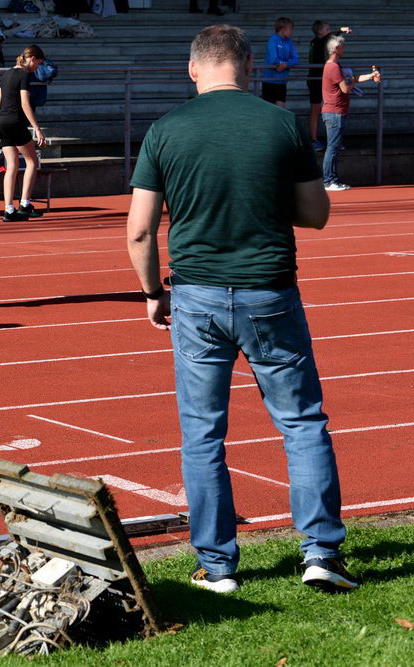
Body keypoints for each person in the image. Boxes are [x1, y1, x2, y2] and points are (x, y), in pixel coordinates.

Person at [127, 24, 359, 595]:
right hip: (269, 290)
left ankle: (217, 565)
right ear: (249, 68)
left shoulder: (165, 129)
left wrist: (154, 292)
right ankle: (322, 554)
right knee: (302, 422)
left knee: (203, 434)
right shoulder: (280, 123)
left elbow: (139, 232)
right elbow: (316, 214)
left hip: (197, 295)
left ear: (193, 69)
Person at [0, 44, 47, 222]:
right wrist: (37, 129)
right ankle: (24, 204)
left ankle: (9, 209)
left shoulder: (7, 73)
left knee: (12, 166)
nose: (37, 67)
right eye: (38, 63)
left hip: (1, 122)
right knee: (32, 161)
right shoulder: (24, 75)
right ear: (31, 59)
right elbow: (25, 104)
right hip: (14, 122)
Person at [321, 36, 380, 191]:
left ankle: (330, 179)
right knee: (333, 147)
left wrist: (369, 76)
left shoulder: (335, 66)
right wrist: (352, 81)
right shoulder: (333, 67)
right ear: (335, 49)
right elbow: (346, 88)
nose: (344, 49)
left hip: (335, 111)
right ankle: (329, 180)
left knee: (334, 147)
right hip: (334, 111)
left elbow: (350, 81)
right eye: (342, 46)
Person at [307, 22, 351, 149]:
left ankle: (331, 140)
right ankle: (315, 139)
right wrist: (341, 30)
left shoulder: (317, 41)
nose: (329, 31)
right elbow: (331, 37)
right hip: (317, 80)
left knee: (327, 110)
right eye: (327, 29)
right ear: (320, 32)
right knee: (318, 110)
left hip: (320, 79)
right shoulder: (318, 42)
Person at [261, 17, 298, 108]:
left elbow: (296, 58)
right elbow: (274, 59)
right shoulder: (273, 40)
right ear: (282, 29)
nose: (292, 31)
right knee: (269, 110)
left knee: (280, 110)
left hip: (282, 81)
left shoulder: (289, 41)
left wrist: (286, 64)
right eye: (290, 29)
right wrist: (286, 62)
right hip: (270, 80)